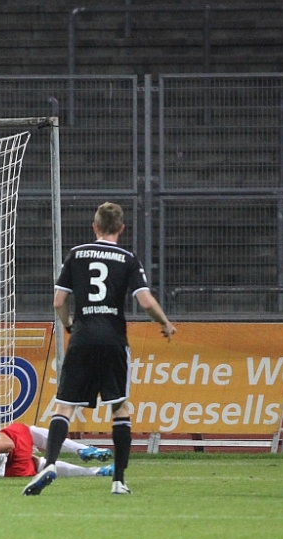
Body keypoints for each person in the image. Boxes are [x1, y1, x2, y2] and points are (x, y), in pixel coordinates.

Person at [23, 201, 176, 497]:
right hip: (113, 340)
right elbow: (145, 301)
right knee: (119, 407)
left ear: (94, 227)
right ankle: (118, 481)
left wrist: (69, 325)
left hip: (82, 339)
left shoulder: (77, 254)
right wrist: (165, 323)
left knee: (65, 406)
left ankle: (50, 463)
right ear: (121, 228)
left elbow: (58, 302)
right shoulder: (127, 258)